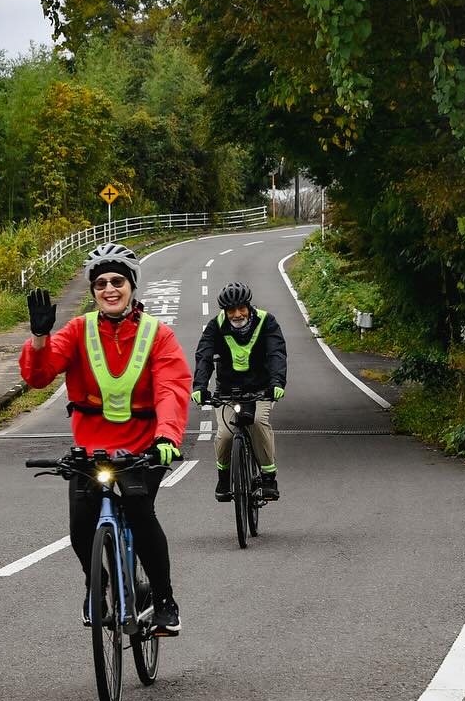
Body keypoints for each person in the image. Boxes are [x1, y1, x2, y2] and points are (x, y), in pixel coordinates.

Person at [21, 242, 192, 635]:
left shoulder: (156, 334)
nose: (109, 289)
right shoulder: (79, 330)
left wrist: (167, 436)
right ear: (93, 291)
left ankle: (165, 601)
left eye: (117, 281)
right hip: (90, 449)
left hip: (144, 448)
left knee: (139, 511)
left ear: (132, 286)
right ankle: (95, 586)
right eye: (101, 284)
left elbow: (172, 387)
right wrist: (39, 338)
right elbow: (38, 376)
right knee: (81, 526)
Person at [191, 281, 288, 502]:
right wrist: (199, 387)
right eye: (231, 310)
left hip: (261, 391)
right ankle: (224, 478)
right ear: (224, 311)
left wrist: (277, 383)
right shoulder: (215, 326)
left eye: (241, 308)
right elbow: (204, 357)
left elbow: (277, 354)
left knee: (256, 423)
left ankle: (268, 477)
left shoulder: (266, 321)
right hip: (227, 392)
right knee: (225, 435)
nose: (237, 314)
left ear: (249, 306)